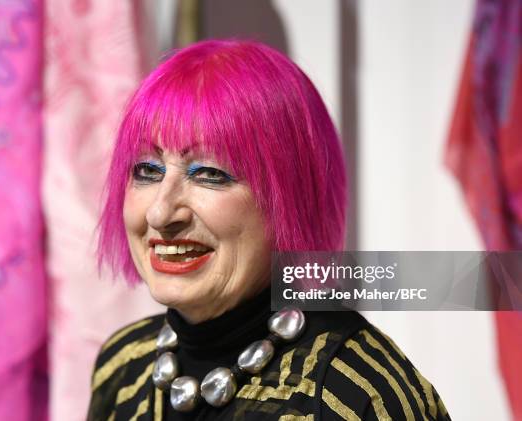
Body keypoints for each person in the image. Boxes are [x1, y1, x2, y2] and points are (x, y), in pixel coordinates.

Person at [88, 39, 450, 420]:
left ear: (290, 198)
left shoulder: (355, 393)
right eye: (147, 169)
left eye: (209, 173)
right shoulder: (124, 365)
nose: (161, 213)